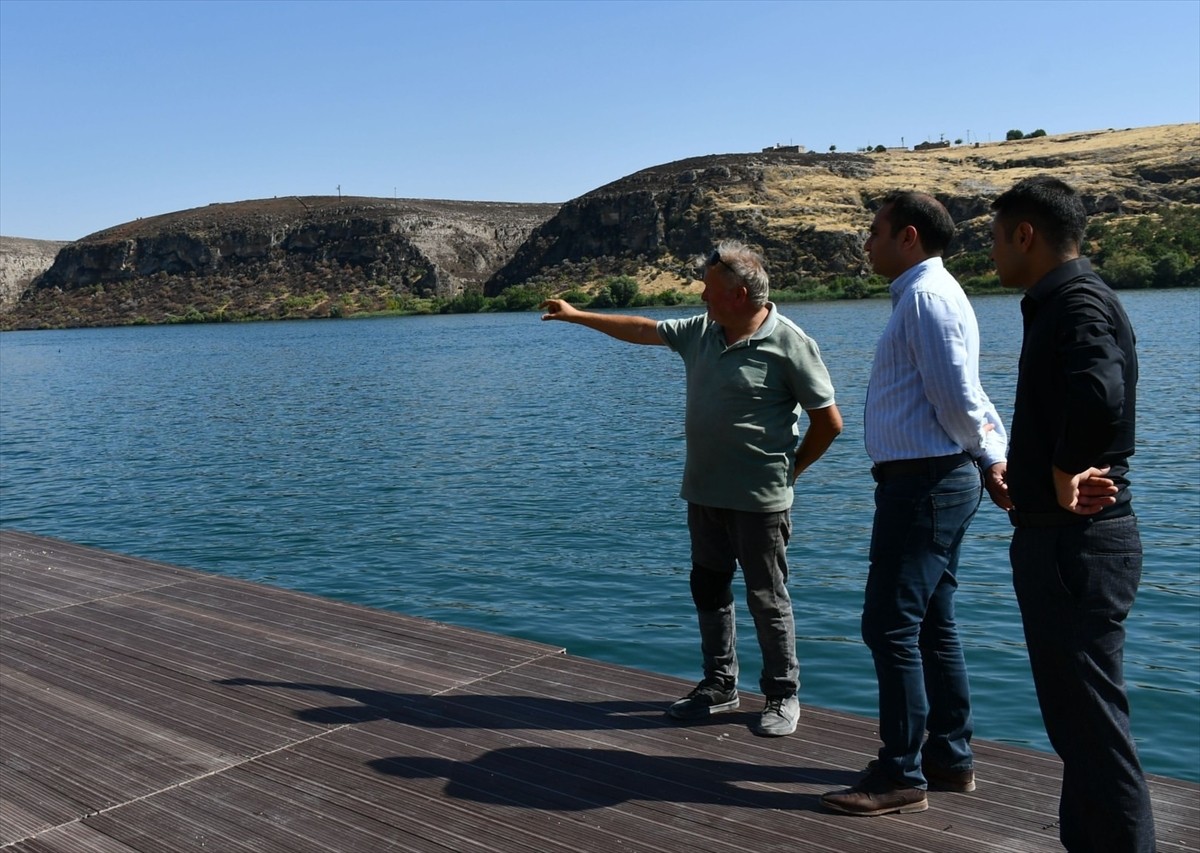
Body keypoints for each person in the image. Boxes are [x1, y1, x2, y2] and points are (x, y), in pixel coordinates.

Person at [540, 240, 843, 738]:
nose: (701, 295)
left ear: (739, 294)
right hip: (704, 493)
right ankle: (720, 685)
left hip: (760, 499)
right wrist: (576, 315)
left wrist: (791, 472)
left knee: (767, 597)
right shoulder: (703, 332)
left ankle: (782, 694)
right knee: (709, 588)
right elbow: (643, 329)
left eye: (708, 287)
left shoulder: (789, 342)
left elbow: (828, 422)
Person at [821, 191, 1009, 817]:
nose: (866, 243)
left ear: (906, 236)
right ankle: (949, 760)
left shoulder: (927, 299)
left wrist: (986, 456)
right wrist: (986, 459)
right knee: (931, 622)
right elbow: (964, 397)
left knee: (890, 625)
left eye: (873, 231)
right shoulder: (925, 295)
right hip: (929, 479)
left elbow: (958, 399)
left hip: (926, 482)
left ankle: (900, 772)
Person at [989, 176, 1155, 852]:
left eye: (996, 238)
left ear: (1025, 234)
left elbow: (1099, 392)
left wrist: (1059, 474)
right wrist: (1026, 474)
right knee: (1080, 730)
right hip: (1064, 541)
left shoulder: (1078, 301)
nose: (993, 251)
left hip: (1075, 548)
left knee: (1093, 734)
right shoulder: (1060, 302)